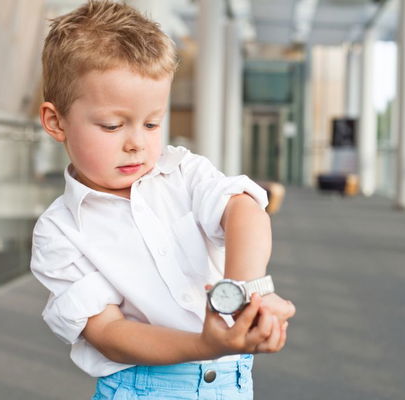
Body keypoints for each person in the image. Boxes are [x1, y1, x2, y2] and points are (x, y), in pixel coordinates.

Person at [30, 1, 296, 399]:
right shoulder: (59, 233)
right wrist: (207, 346)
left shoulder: (183, 172)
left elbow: (244, 210)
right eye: (113, 125)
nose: (137, 142)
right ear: (56, 122)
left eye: (152, 123)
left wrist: (248, 292)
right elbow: (109, 333)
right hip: (142, 389)